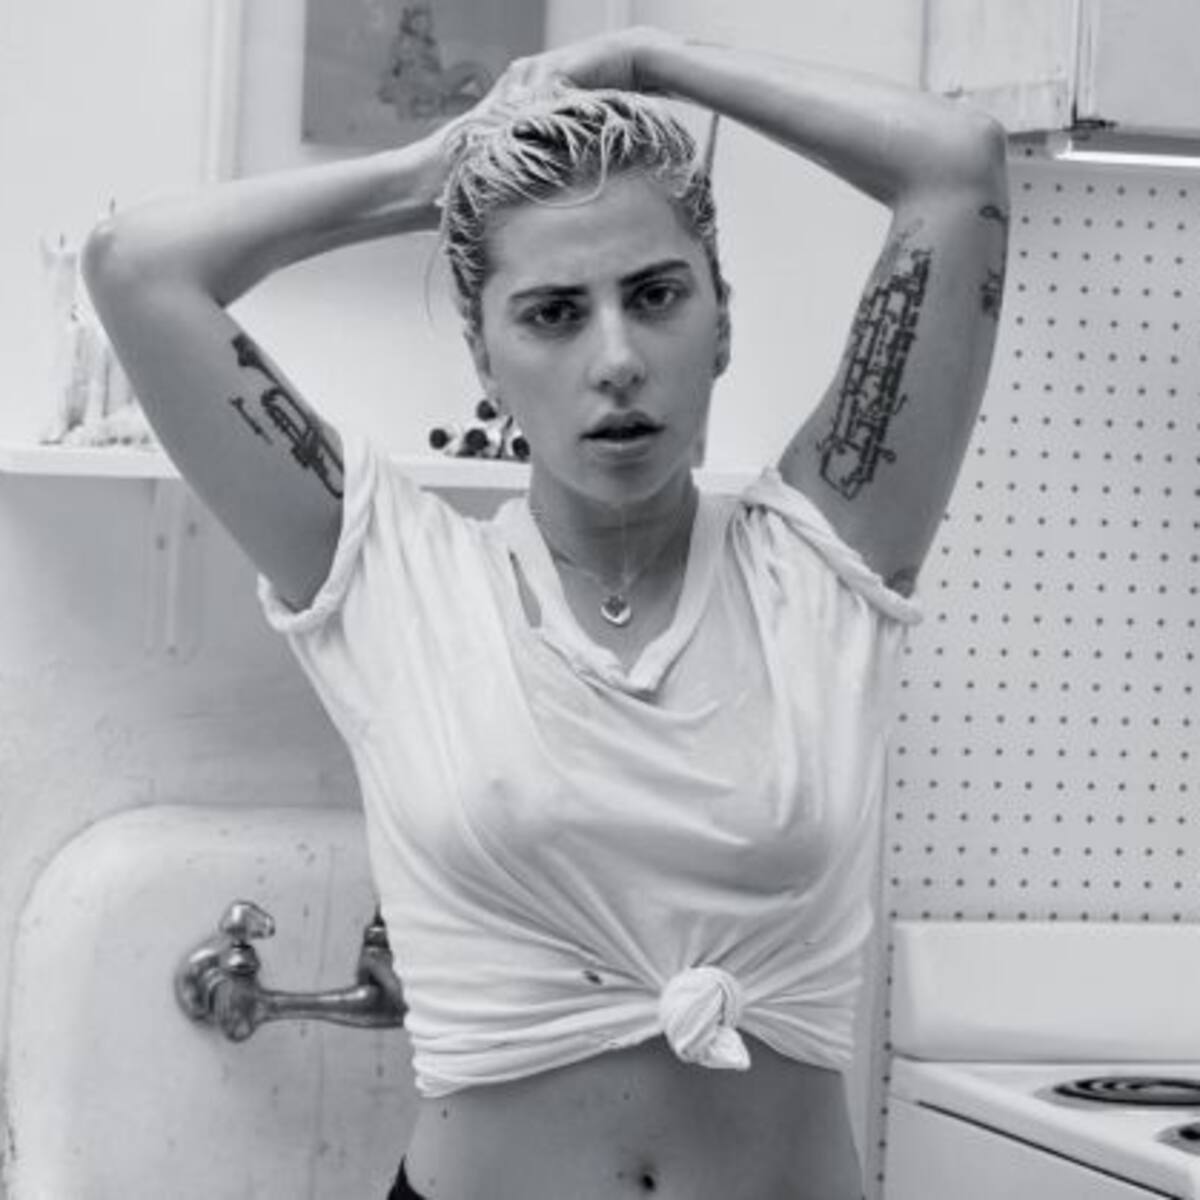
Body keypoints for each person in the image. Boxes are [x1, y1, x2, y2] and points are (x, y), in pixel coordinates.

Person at [82, 23, 1008, 1200]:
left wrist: (653, 59)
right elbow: (137, 267)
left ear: (721, 320)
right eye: (554, 312)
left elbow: (957, 165)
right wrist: (434, 172)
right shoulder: (393, 580)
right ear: (484, 355)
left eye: (655, 296)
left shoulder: (824, 559)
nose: (615, 358)